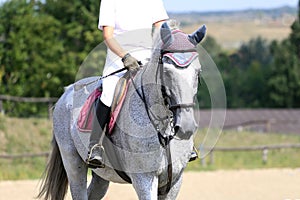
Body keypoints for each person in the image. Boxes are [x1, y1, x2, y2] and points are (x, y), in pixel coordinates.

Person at [86, 0, 169, 168]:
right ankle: (95, 145)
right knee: (109, 93)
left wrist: (155, 49)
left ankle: (181, 141)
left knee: (170, 87)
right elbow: (108, 36)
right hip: (118, 57)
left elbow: (161, 25)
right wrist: (125, 56)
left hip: (147, 55)